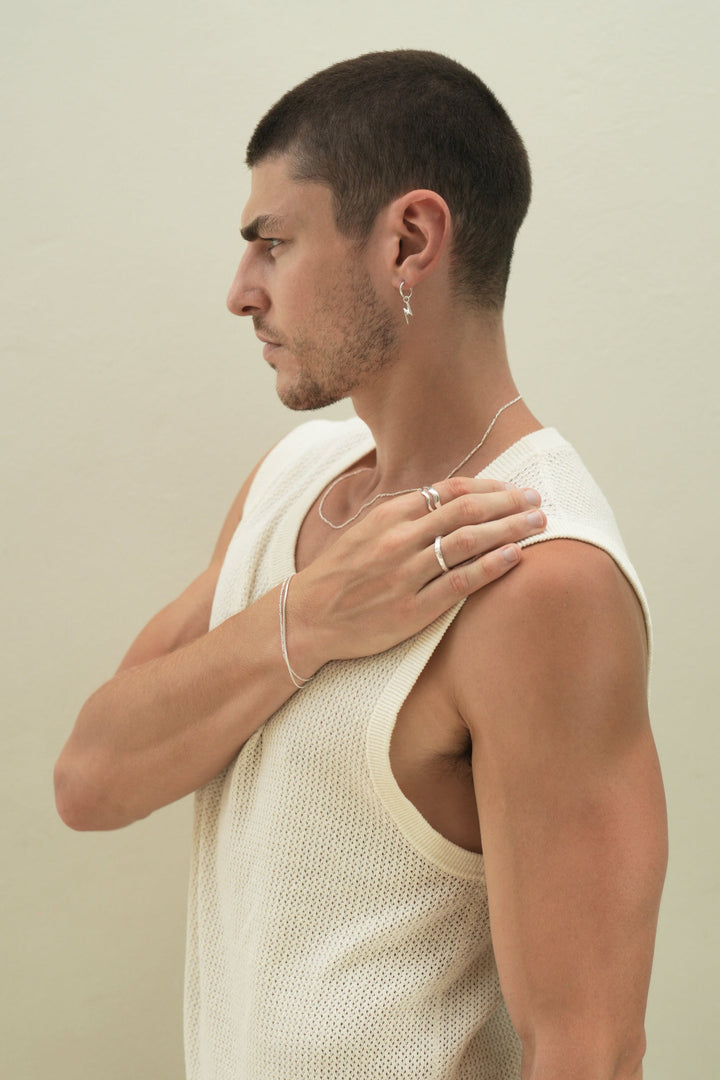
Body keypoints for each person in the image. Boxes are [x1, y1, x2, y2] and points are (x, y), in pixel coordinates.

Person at [55, 50, 667, 1080]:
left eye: (273, 244)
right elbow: (92, 778)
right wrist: (309, 618)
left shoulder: (539, 575)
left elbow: (590, 1047)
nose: (239, 293)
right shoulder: (294, 478)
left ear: (409, 240)